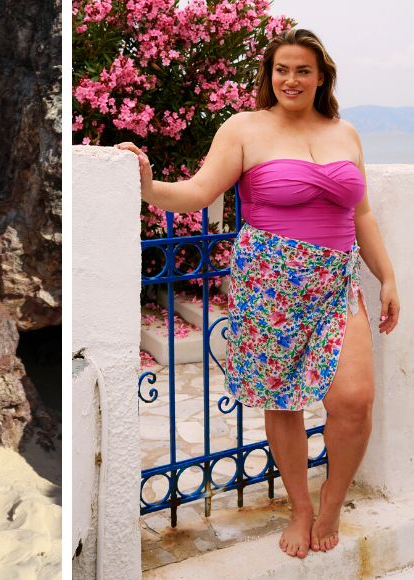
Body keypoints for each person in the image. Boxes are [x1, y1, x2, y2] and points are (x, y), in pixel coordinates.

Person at [117, 28, 399, 559]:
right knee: (281, 398)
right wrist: (151, 186)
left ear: (321, 78)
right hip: (268, 285)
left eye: (303, 71)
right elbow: (200, 192)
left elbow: (361, 214)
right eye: (281, 69)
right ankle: (300, 506)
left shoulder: (346, 132)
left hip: (336, 283)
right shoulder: (243, 128)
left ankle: (332, 501)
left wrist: (387, 277)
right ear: (269, 75)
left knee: (354, 400)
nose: (291, 80)